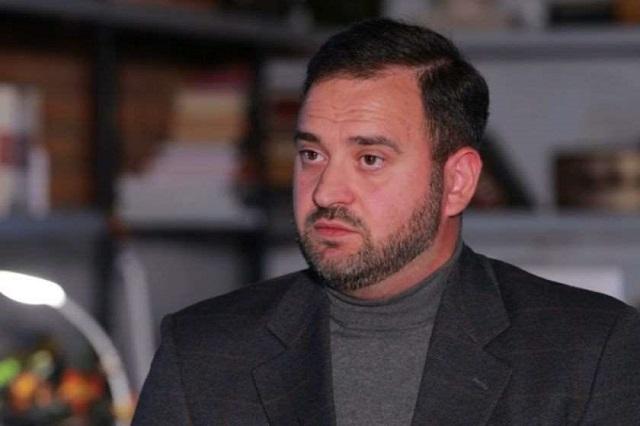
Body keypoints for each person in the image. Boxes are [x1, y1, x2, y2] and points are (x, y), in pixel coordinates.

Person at [133, 19, 640, 425]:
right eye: (312, 155)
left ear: (457, 182)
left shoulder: (587, 352)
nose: (325, 191)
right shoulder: (202, 353)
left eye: (370, 159)